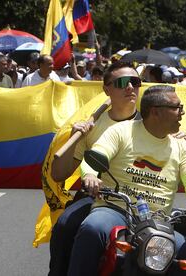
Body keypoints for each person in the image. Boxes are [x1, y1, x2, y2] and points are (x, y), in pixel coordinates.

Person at [67, 85, 186, 276]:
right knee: (92, 228)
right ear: (155, 112)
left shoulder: (183, 147)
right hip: (115, 210)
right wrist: (90, 175)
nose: (182, 113)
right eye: (178, 108)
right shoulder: (121, 131)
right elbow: (95, 156)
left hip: (157, 222)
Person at [49, 61, 142, 276]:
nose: (130, 87)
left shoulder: (152, 123)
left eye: (135, 82)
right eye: (122, 82)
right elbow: (59, 174)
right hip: (98, 197)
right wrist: (73, 138)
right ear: (106, 89)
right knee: (65, 226)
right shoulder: (92, 127)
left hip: (143, 199)